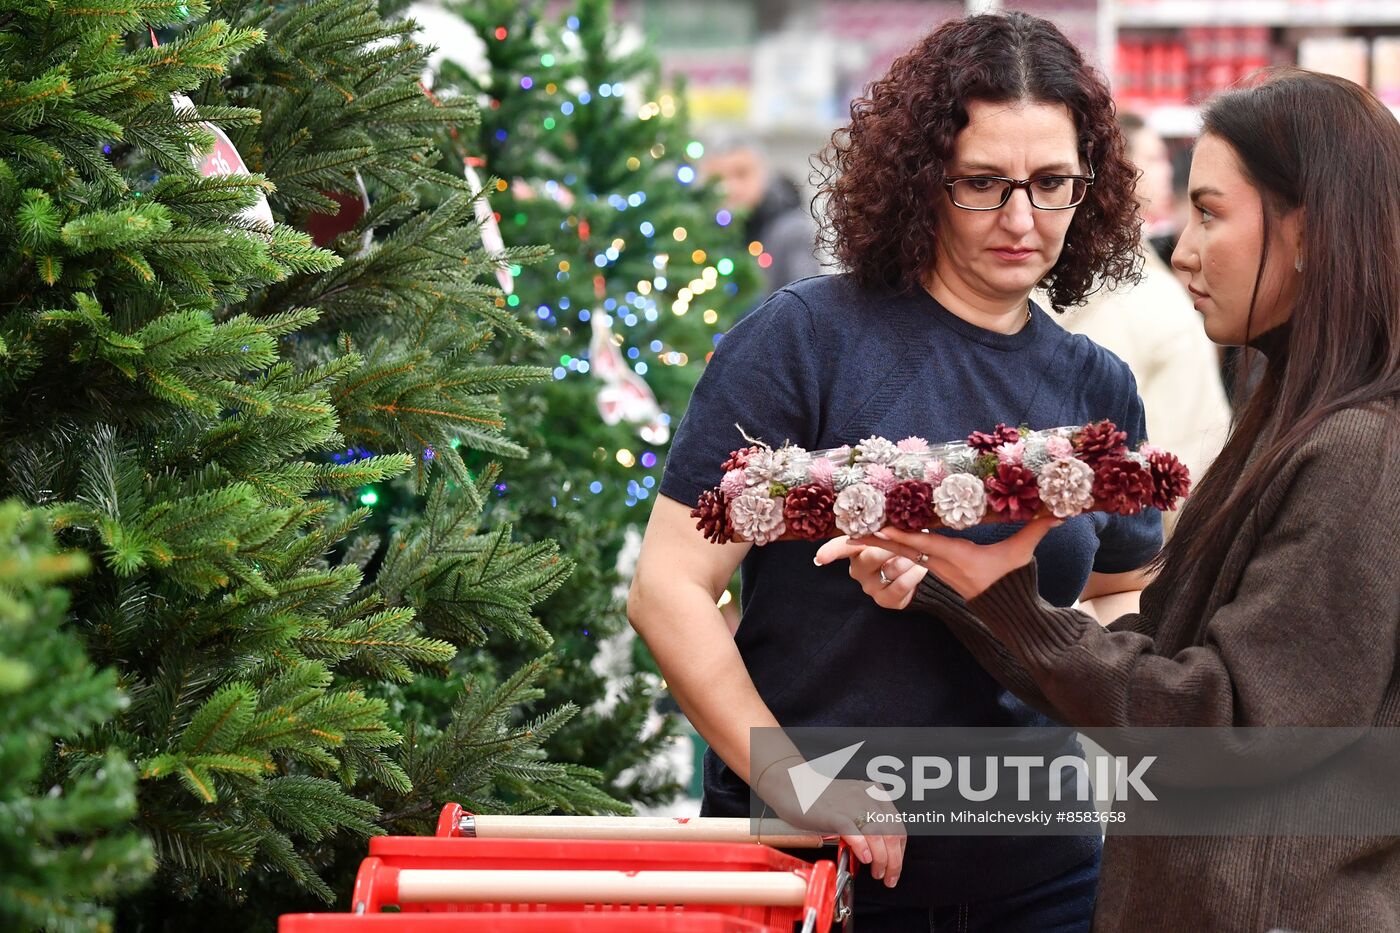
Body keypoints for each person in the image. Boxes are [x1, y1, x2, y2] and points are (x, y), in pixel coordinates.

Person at [820, 68, 1400, 931]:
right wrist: (968, 584)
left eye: (1209, 212)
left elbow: (1225, 730)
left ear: (1309, 231)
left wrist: (1005, 602)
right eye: (982, 184)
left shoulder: (1358, 448)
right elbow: (1170, 657)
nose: (1186, 250)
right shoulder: (1290, 412)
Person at [629, 12, 1160, 931]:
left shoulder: (1096, 385)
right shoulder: (804, 342)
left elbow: (1120, 594)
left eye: (1051, 184)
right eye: (983, 184)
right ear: (922, 181)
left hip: (1044, 878)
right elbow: (670, 587)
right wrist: (790, 782)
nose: (1021, 219)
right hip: (813, 875)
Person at [1048, 114, 1233, 531]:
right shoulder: (1133, 292)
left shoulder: (1096, 277)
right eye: (1152, 157)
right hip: (1152, 536)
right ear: (1117, 171)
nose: (1169, 171)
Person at [701, 132, 822, 296]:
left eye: (741, 174)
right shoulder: (700, 232)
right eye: (718, 178)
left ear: (763, 173)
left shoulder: (790, 231)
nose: (730, 187)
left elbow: (805, 298)